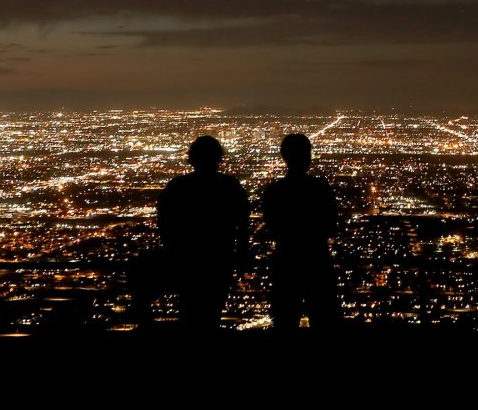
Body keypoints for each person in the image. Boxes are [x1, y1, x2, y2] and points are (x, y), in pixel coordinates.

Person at [131, 135, 250, 329]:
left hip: (184, 260)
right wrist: (240, 254)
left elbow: (165, 224)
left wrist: (175, 249)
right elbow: (243, 224)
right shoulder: (230, 186)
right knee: (212, 314)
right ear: (219, 158)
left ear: (192, 158)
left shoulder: (177, 187)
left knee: (189, 311)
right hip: (219, 260)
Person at [260, 133, 340, 330]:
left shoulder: (274, 191)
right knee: (323, 318)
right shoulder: (321, 188)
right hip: (317, 259)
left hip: (285, 260)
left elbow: (271, 227)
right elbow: (332, 225)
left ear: (284, 157)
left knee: (285, 319)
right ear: (308, 156)